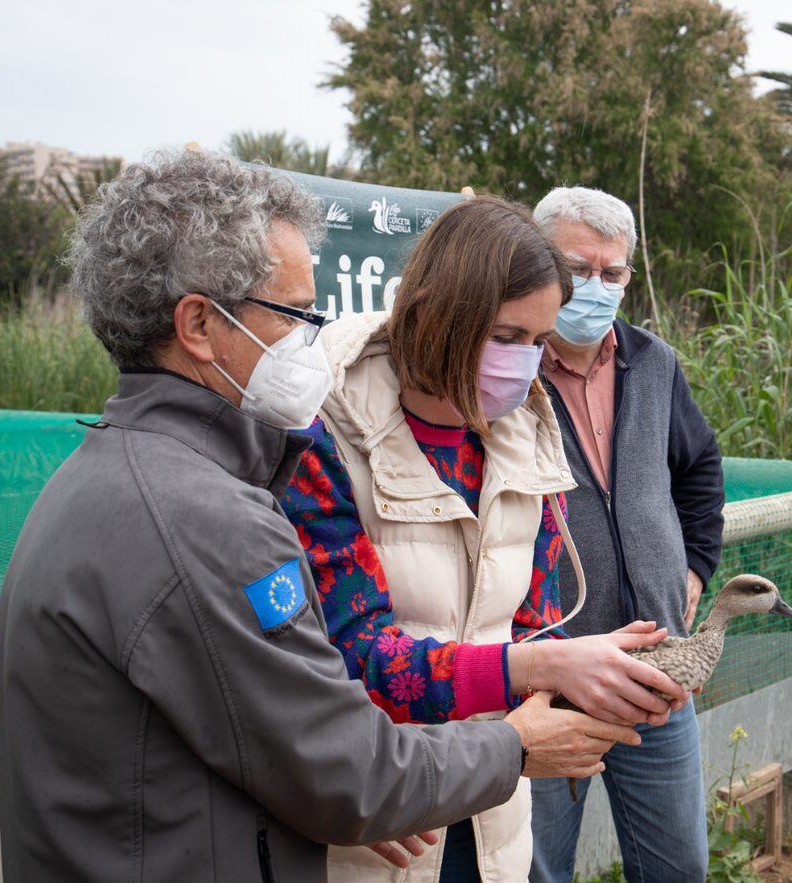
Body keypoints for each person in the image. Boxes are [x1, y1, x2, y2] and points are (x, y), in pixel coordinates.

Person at [0, 153, 639, 883]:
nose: (314, 341)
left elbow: (258, 734)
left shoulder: (109, 476)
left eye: (536, 343)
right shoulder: (211, 517)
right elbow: (341, 764)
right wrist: (513, 743)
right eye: (297, 316)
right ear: (201, 324)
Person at [280, 195, 689, 883]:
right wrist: (542, 672)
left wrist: (608, 683)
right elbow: (352, 649)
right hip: (379, 809)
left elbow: (532, 620)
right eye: (505, 336)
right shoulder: (322, 434)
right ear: (439, 314)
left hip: (492, 805)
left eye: (538, 342)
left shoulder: (528, 437)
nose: (523, 363)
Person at [528, 187, 726, 883]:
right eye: (579, 269)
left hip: (655, 668)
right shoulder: (505, 367)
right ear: (539, 260)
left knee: (678, 865)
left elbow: (700, 466)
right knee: (534, 868)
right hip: (542, 678)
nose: (597, 287)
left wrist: (695, 568)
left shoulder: (654, 361)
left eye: (613, 274)